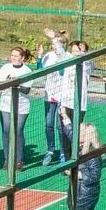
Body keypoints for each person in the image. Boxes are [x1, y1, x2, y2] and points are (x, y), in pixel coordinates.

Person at [0, 46, 35, 171]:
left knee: (18, 131)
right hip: (6, 104)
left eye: (16, 56)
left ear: (22, 58)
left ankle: (19, 159)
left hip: (21, 106)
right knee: (6, 130)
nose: (13, 58)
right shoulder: (5, 68)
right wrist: (6, 82)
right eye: (12, 55)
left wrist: (15, 83)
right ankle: (7, 158)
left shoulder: (27, 70)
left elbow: (26, 89)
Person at [37, 29, 72, 165]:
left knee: (60, 126)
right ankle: (50, 150)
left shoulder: (67, 56)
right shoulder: (49, 55)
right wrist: (40, 56)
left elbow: (63, 71)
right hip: (49, 94)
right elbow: (40, 70)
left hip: (62, 96)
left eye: (60, 43)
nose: (56, 46)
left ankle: (63, 152)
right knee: (48, 124)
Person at [59, 40, 94, 159]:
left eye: (77, 51)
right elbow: (60, 52)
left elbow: (89, 59)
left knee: (76, 132)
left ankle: (77, 157)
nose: (74, 53)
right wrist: (54, 38)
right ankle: (67, 160)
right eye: (73, 51)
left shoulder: (87, 64)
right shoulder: (68, 60)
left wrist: (83, 52)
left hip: (79, 104)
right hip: (66, 102)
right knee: (64, 131)